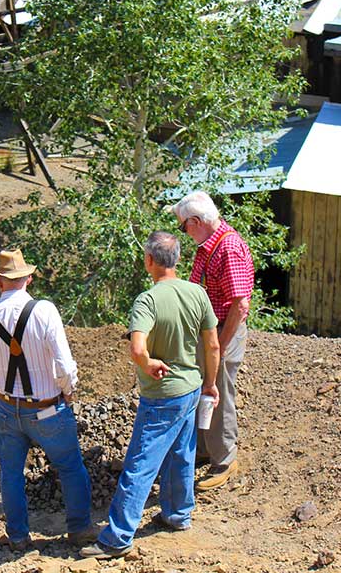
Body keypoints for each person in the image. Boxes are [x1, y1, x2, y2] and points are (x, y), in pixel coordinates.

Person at [81, 231, 220, 560]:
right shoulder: (197, 293)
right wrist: (210, 384)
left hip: (162, 394)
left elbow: (137, 348)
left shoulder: (147, 300)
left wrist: (148, 362)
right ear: (178, 260)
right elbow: (212, 345)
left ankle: (117, 537)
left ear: (149, 261)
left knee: (140, 465)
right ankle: (177, 514)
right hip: (190, 387)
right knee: (181, 455)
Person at [0, 248, 95, 550]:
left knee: (11, 474)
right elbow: (65, 366)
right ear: (29, 279)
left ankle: (18, 536)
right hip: (47, 408)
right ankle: (78, 530)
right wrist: (68, 389)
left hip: (7, 410)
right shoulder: (45, 310)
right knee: (70, 467)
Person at [173, 190, 254, 491]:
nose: (184, 232)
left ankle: (224, 460)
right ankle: (206, 449)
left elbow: (240, 304)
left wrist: (219, 342)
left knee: (218, 392)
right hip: (212, 331)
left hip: (222, 331)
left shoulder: (227, 248)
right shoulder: (211, 245)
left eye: (184, 226)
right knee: (205, 389)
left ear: (195, 221)